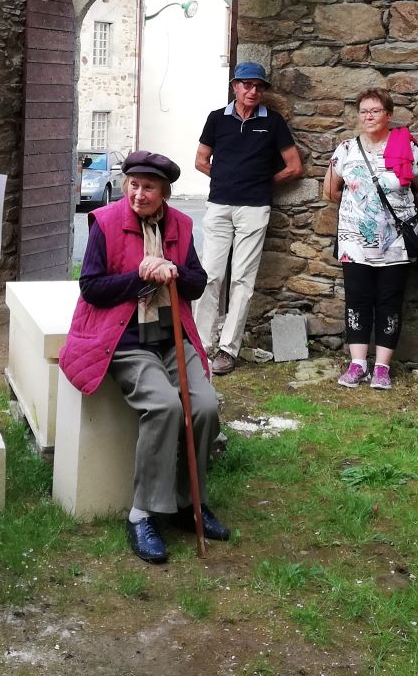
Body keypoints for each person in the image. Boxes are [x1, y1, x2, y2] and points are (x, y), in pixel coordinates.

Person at [59, 151, 228, 564]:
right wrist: (139, 276)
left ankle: (190, 502)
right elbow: (91, 287)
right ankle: (142, 513)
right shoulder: (106, 222)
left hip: (171, 339)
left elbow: (197, 283)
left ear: (164, 192)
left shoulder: (180, 225)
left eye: (148, 187)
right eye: (133, 185)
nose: (138, 194)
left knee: (205, 406)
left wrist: (172, 269)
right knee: (165, 405)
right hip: (126, 340)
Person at [193, 61, 303, 376]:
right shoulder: (217, 118)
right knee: (210, 275)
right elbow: (200, 160)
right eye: (247, 85)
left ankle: (228, 349)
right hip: (219, 206)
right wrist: (226, 178)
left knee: (242, 279)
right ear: (235, 87)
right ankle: (199, 345)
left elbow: (294, 167)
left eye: (258, 86)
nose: (253, 91)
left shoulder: (273, 122)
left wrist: (262, 182)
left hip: (254, 208)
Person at [323, 87, 418, 390]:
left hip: (395, 242)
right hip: (355, 242)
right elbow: (330, 190)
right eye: (364, 111)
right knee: (357, 300)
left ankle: (382, 368)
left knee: (389, 301)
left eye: (375, 111)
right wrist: (360, 210)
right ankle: (357, 364)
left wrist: (397, 211)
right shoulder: (346, 149)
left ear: (389, 114)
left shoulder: (406, 147)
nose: (368, 116)